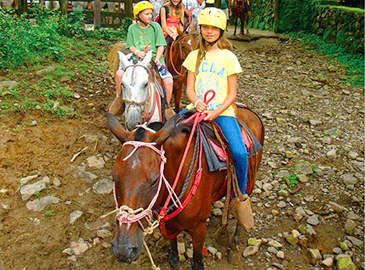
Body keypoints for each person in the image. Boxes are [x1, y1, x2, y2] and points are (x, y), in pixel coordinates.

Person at [182, 7, 249, 194]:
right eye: (205, 27)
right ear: (200, 29)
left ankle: (241, 195)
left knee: (239, 152)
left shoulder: (229, 57)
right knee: (167, 132)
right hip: (195, 109)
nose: (209, 31)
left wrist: (215, 112)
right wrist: (196, 102)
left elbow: (232, 94)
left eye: (214, 28)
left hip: (222, 112)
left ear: (221, 31)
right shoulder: (194, 56)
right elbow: (189, 89)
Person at [109, 1, 174, 115]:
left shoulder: (156, 27)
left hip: (154, 58)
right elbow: (131, 45)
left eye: (150, 14)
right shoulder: (132, 28)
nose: (150, 16)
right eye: (146, 14)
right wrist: (138, 52)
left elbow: (161, 45)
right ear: (138, 16)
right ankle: (120, 99)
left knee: (168, 81)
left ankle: (167, 106)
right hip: (135, 58)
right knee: (120, 74)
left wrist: (158, 58)